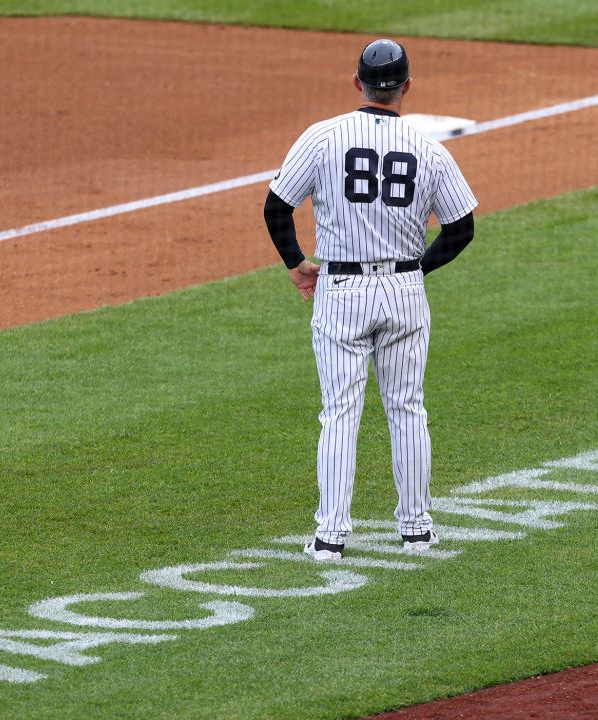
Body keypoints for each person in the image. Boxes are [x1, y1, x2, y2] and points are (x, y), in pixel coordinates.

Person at [263, 38, 477, 561]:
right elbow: (462, 228)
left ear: (357, 82)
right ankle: (417, 530)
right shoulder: (428, 148)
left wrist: (297, 265)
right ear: (406, 87)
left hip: (341, 291)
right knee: (407, 409)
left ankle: (331, 536)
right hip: (404, 293)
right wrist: (415, 270)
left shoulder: (323, 136)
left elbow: (275, 208)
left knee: (340, 412)